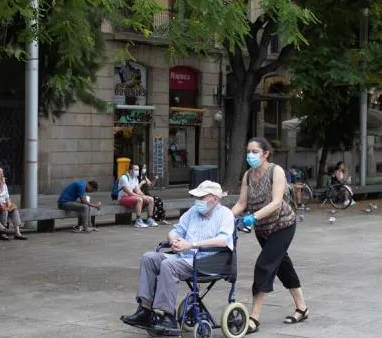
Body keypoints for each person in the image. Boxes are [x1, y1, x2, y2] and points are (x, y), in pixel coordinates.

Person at [120, 180, 234, 334]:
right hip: (184, 258)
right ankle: (145, 310)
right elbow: (175, 230)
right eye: (197, 198)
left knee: (168, 266)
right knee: (149, 258)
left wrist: (191, 244)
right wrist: (173, 240)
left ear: (215, 198)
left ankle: (168, 315)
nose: (198, 201)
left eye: (202, 198)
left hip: (207, 261)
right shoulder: (193, 211)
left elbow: (223, 240)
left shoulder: (225, 214)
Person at [231, 137, 308, 334]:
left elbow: (276, 202)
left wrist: (252, 217)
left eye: (255, 151)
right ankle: (302, 308)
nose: (250, 155)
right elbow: (241, 203)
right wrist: (224, 217)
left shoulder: (276, 171)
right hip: (263, 229)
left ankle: (254, 318)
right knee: (283, 266)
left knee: (264, 265)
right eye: (248, 151)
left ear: (265, 154)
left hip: (283, 226)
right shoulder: (248, 175)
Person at [0, 167, 27, 240]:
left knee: (14, 209)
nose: (2, 176)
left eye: (2, 174)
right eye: (0, 174)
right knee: (4, 210)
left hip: (5, 202)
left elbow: (7, 196)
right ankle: (3, 232)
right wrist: (1, 185)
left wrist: (8, 202)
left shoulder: (4, 184)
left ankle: (17, 232)